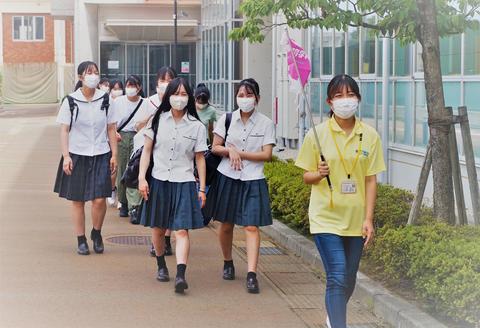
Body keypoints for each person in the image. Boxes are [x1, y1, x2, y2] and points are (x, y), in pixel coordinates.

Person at [295, 74, 386, 328]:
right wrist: (318, 173)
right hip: (325, 217)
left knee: (348, 278)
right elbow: (306, 176)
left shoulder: (370, 135)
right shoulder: (317, 134)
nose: (345, 100)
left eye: (350, 95)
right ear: (329, 102)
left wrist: (368, 219)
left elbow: (370, 180)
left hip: (356, 220)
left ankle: (333, 315)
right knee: (336, 276)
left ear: (358, 98)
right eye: (339, 96)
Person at [203, 78, 276, 294]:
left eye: (249, 95)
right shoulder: (226, 119)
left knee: (251, 226)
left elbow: (267, 154)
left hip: (253, 178)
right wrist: (229, 151)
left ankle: (252, 273)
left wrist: (239, 153)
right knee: (225, 225)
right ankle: (228, 261)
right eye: (241, 95)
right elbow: (215, 147)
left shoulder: (266, 123)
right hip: (228, 176)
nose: (245, 99)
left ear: (258, 98)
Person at [138, 77, 207, 294]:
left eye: (184, 94)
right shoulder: (157, 121)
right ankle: (161, 265)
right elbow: (146, 151)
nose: (179, 98)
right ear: (168, 96)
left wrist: (202, 188)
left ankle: (180, 274)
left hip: (184, 181)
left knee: (181, 230)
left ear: (190, 98)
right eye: (175, 93)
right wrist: (142, 178)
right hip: (159, 180)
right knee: (158, 229)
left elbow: (199, 159)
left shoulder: (197, 126)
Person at [54, 60, 118, 255]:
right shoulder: (70, 101)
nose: (93, 76)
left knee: (99, 199)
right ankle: (81, 239)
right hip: (77, 154)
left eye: (96, 72)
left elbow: (111, 128)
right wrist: (66, 156)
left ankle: (96, 233)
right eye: (89, 72)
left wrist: (114, 154)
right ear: (81, 77)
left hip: (100, 154)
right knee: (78, 200)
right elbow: (64, 130)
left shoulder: (105, 99)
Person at [132, 66, 177, 256]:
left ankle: (166, 238)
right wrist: (152, 116)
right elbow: (136, 126)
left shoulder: (180, 100)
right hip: (150, 156)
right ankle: (157, 240)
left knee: (171, 201)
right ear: (156, 83)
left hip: (173, 159)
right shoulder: (148, 102)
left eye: (169, 80)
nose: (165, 84)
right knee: (155, 201)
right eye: (162, 80)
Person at [114, 75, 148, 224]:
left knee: (134, 170)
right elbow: (112, 122)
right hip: (120, 137)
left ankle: (134, 206)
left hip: (138, 137)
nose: (131, 88)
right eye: (128, 85)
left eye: (134, 85)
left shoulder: (145, 103)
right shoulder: (118, 102)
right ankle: (123, 201)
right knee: (121, 169)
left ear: (140, 87)